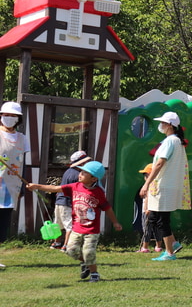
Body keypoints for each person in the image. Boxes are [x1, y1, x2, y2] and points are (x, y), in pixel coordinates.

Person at [28, 161, 122, 282]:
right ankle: (85, 263)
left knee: (88, 252)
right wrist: (36, 186)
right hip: (76, 228)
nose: (80, 174)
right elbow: (55, 188)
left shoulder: (98, 192)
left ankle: (94, 273)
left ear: (93, 179)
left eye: (84, 173)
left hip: (92, 230)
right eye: (81, 172)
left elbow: (107, 208)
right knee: (70, 250)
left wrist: (115, 222)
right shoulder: (74, 187)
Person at [140, 111, 191, 261]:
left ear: (170, 125)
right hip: (168, 185)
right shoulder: (176, 141)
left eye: (163, 123)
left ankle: (169, 253)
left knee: (161, 220)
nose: (160, 125)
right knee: (156, 217)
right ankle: (173, 243)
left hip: (164, 186)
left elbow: (160, 163)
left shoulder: (170, 141)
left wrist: (147, 183)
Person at [0, 101, 30, 270]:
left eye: (13, 116)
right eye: (6, 115)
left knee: (2, 225)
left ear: (18, 119)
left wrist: (23, 184)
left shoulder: (22, 138)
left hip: (11, 187)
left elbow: (22, 163)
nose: (9, 118)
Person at [51, 150, 92, 251]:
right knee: (70, 225)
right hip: (68, 202)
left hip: (59, 201)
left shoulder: (68, 172)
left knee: (58, 224)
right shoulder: (78, 175)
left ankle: (56, 243)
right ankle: (66, 245)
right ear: (81, 163)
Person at [134, 164, 163, 253]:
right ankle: (158, 246)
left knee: (146, 229)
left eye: (146, 175)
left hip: (147, 211)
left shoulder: (148, 186)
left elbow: (147, 199)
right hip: (156, 210)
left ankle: (145, 247)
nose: (145, 177)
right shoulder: (157, 185)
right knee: (157, 229)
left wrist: (147, 209)